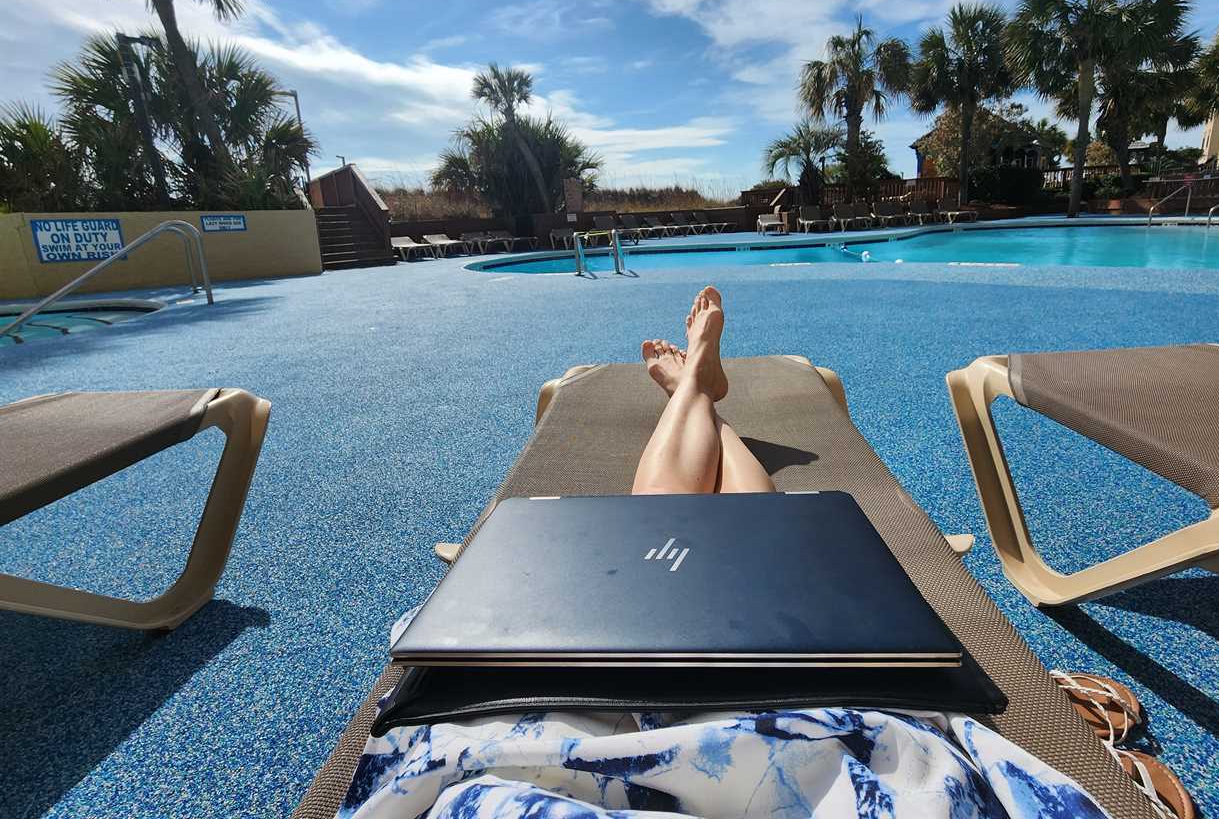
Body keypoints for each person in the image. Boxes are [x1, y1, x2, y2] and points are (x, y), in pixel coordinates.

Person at [339, 285, 1118, 819]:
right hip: (825, 742)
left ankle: (694, 391)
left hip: (563, 746)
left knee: (665, 547)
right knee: (758, 554)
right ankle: (703, 395)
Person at [631, 285, 776, 495]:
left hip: (660, 526)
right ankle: (699, 381)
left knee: (660, 501)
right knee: (753, 505)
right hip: (759, 524)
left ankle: (693, 383)